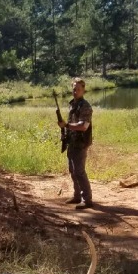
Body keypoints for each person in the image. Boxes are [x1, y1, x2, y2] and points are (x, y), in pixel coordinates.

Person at [59, 77, 93, 209]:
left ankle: (87, 199)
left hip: (81, 143)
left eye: (78, 89)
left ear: (83, 90)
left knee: (79, 171)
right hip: (72, 142)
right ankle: (77, 195)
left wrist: (66, 125)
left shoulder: (86, 106)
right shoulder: (73, 104)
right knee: (73, 171)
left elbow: (83, 126)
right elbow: (71, 123)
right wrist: (64, 130)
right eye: (74, 89)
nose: (75, 91)